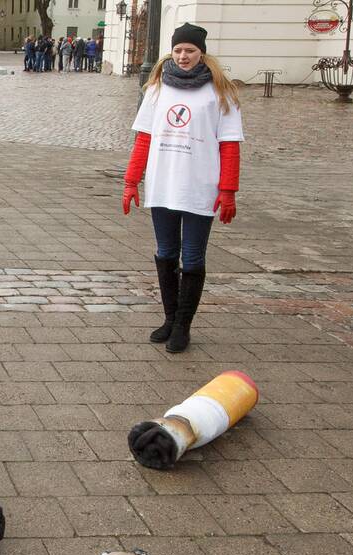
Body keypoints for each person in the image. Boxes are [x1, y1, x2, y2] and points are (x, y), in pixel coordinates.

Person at [122, 22, 242, 353]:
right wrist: (131, 181)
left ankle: (183, 327)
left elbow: (230, 145)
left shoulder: (220, 92)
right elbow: (143, 139)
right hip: (163, 184)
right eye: (177, 50)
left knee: (191, 257)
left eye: (190, 50)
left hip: (200, 186)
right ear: (171, 52)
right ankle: (169, 318)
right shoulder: (157, 89)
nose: (183, 56)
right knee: (165, 253)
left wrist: (228, 189)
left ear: (202, 53)